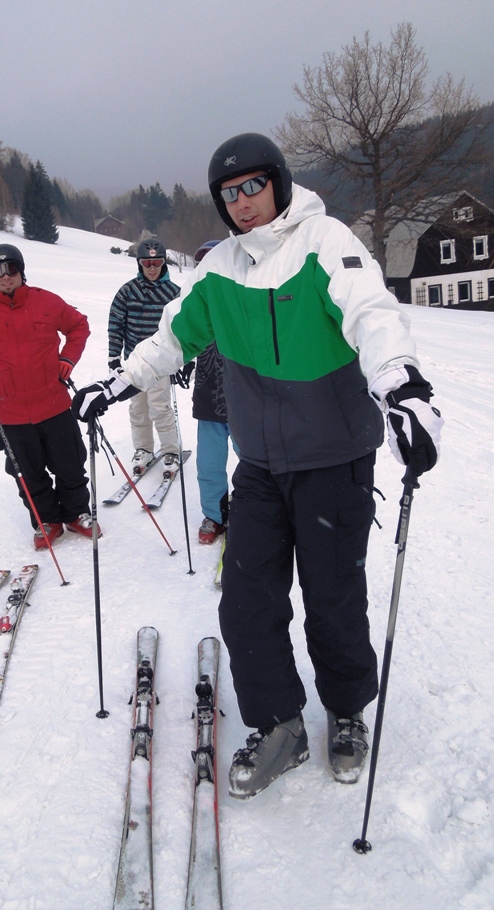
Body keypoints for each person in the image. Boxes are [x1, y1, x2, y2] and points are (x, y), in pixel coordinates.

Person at [72, 133, 442, 798]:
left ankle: (347, 710)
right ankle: (279, 726)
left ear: (277, 182)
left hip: (334, 459)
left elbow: (372, 313)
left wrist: (402, 387)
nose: (242, 202)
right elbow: (173, 335)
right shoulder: (220, 268)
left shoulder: (324, 241)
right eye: (229, 193)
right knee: (246, 602)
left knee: (332, 598)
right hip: (262, 466)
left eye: (252, 186)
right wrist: (119, 383)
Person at [0, 242, 97, 552]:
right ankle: (46, 521)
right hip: (10, 411)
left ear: (21, 271)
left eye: (11, 268)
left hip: (53, 402)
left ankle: (76, 513)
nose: (5, 276)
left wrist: (68, 358)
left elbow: (78, 325)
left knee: (70, 464)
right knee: (28, 473)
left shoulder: (46, 301)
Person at [107, 237, 183, 479]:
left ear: (164, 263)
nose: (152, 268)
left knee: (160, 408)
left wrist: (185, 360)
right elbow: (116, 324)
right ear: (139, 264)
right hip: (134, 364)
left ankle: (170, 451)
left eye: (157, 262)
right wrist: (113, 357)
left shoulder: (174, 293)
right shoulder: (128, 291)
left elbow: (183, 328)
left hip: (161, 363)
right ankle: (144, 449)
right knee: (138, 409)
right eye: (147, 263)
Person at [192, 240, 234, 545]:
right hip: (208, 397)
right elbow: (179, 338)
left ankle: (258, 509)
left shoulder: (244, 296)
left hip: (246, 399)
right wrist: (181, 362)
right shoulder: (194, 303)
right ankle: (215, 515)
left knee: (255, 461)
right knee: (209, 463)